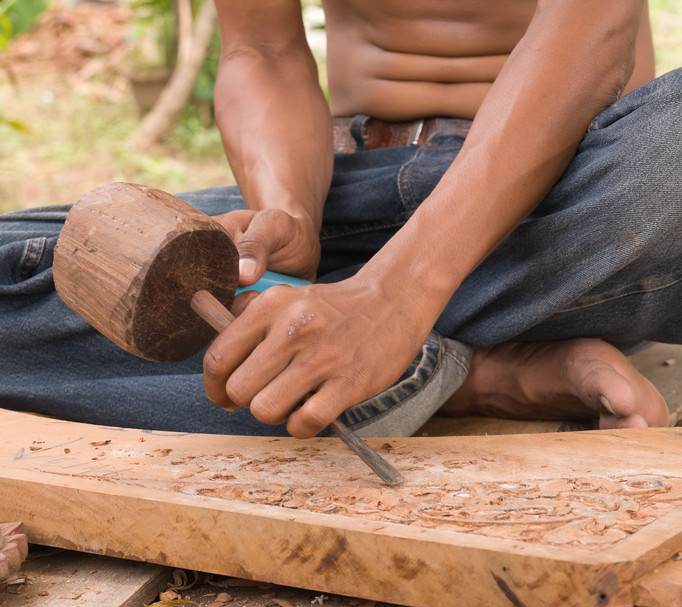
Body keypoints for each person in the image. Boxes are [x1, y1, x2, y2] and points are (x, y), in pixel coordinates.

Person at [1, 0, 679, 438]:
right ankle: (455, 375)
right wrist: (288, 208)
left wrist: (394, 295)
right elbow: (260, 52)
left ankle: (370, 339)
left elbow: (597, 27)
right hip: (353, 193)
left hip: (576, 199)